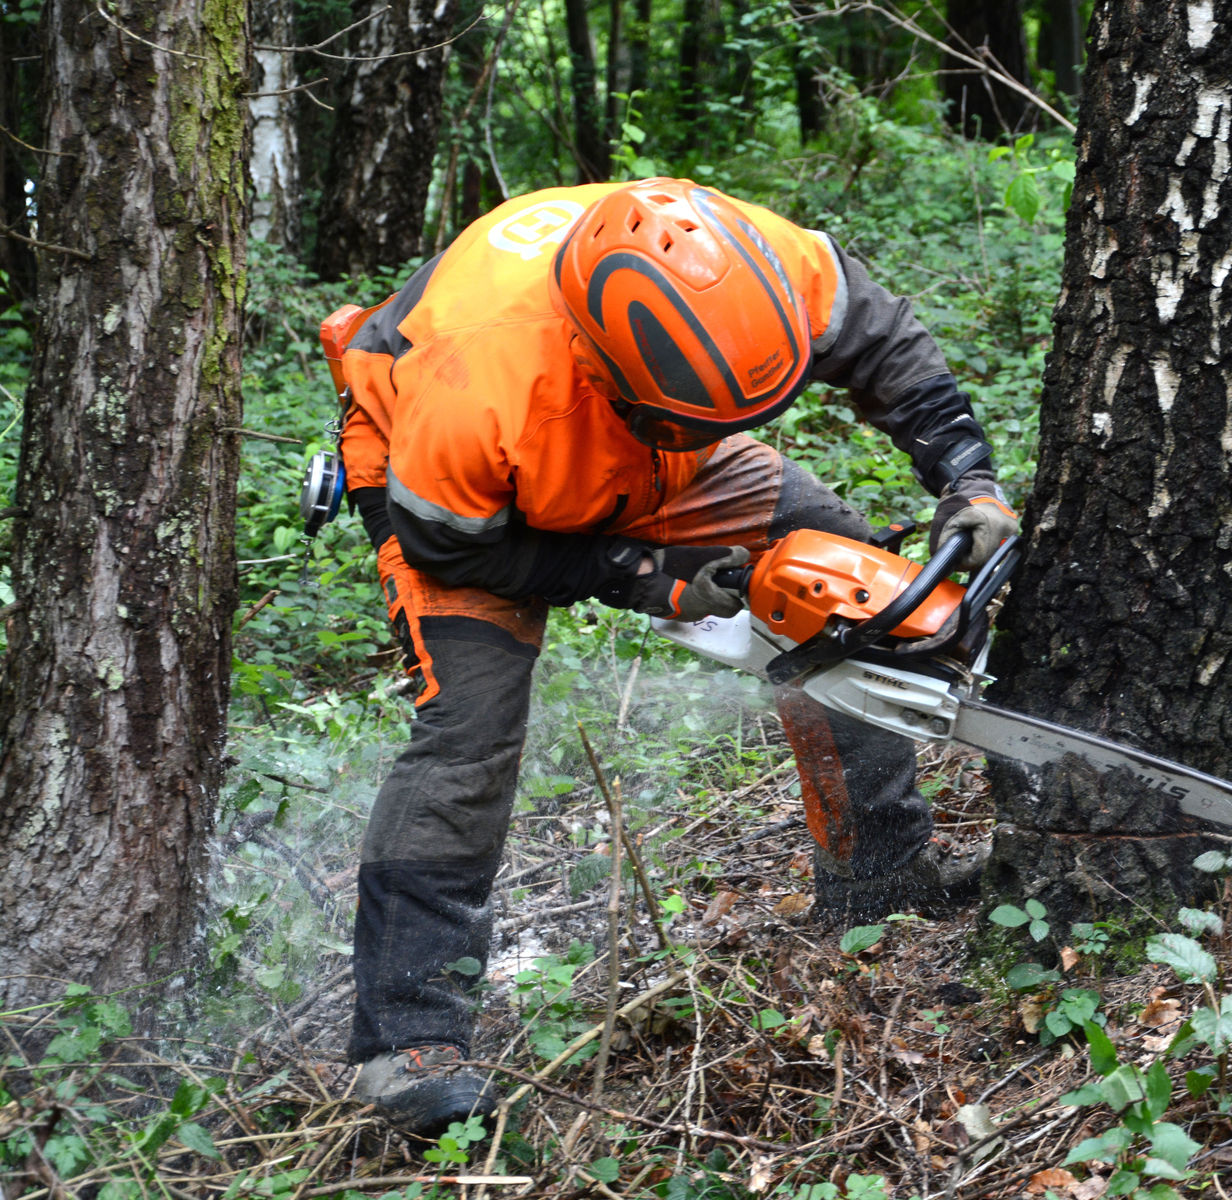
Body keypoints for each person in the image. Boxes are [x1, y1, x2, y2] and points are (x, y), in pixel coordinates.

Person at [327, 178, 1018, 1137]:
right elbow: (452, 547)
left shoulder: (746, 266)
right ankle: (407, 1044)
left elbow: (880, 335)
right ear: (608, 369)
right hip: (458, 502)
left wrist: (967, 478)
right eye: (699, 418)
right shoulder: (473, 387)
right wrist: (646, 574)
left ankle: (880, 876)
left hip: (653, 455)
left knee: (843, 582)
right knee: (469, 734)